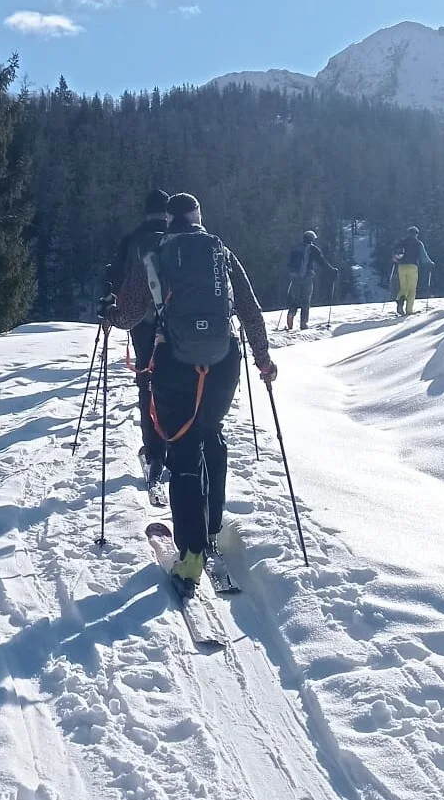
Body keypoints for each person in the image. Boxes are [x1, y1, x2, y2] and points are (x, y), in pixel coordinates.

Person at [141, 193, 276, 594]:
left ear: (169, 220)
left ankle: (192, 553)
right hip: (223, 362)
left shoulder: (158, 253)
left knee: (182, 451)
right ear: (199, 218)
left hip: (175, 365)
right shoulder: (220, 251)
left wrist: (110, 315)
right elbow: (249, 309)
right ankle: (213, 527)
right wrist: (263, 360)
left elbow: (132, 310)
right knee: (211, 434)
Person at [102, 189, 171, 492]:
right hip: (178, 325)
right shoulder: (179, 238)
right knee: (176, 383)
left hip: (142, 323)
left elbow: (116, 278)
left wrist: (110, 311)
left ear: (146, 211)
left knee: (147, 382)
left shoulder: (133, 240)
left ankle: (154, 451)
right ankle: (177, 448)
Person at [284, 229, 338, 330]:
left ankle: (291, 315)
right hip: (307, 278)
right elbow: (322, 262)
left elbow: (289, 263)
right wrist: (332, 270)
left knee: (295, 299)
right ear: (312, 239)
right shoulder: (313, 249)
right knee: (305, 300)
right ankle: (303, 324)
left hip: (295, 278)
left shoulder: (296, 248)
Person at [391, 225, 434, 317]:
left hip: (401, 267)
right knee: (412, 290)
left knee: (403, 288)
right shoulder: (418, 243)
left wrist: (395, 260)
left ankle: (400, 301)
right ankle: (409, 310)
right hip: (412, 267)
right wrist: (430, 263)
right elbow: (424, 257)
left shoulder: (402, 242)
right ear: (416, 234)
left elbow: (394, 252)